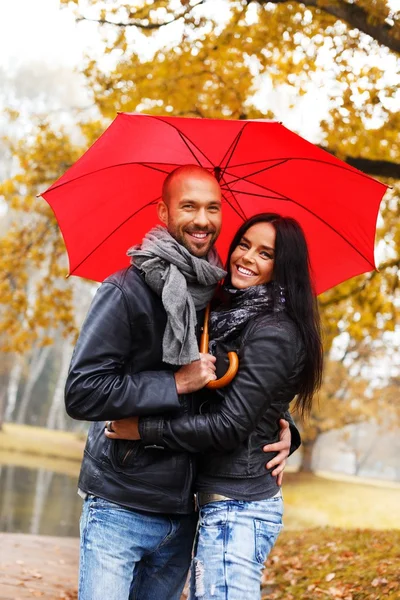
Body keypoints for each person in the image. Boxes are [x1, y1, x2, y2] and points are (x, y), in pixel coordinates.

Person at [65, 166, 300, 600]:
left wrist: (288, 434)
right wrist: (175, 383)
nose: (201, 219)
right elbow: (83, 391)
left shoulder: (221, 296)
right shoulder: (125, 291)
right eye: (188, 206)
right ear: (163, 211)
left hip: (186, 510)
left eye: (212, 208)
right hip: (122, 500)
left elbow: (246, 390)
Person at [105, 212, 323, 599]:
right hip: (220, 504)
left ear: (282, 267)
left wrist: (142, 430)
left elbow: (230, 425)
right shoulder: (229, 314)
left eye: (265, 254)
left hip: (239, 507)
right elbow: (258, 398)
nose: (247, 258)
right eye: (244, 244)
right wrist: (287, 429)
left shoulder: (273, 330)